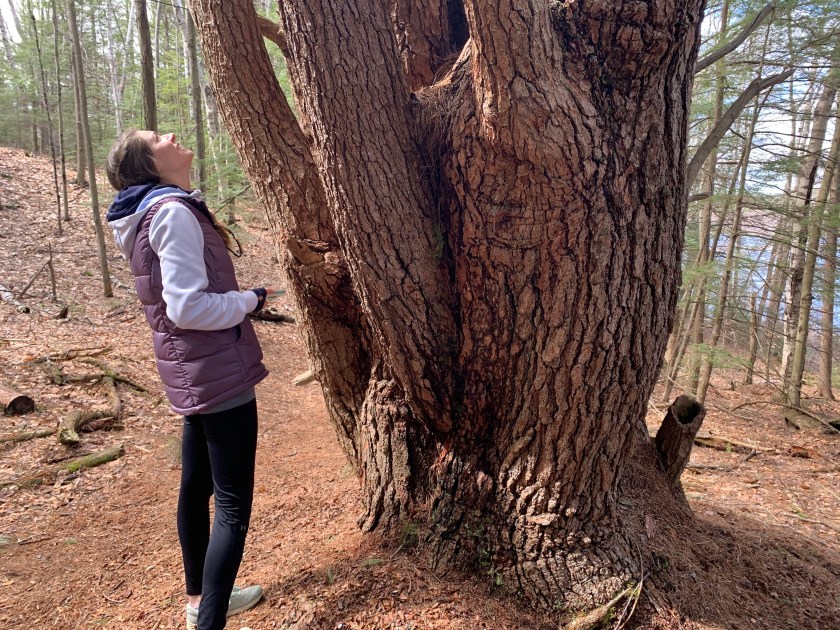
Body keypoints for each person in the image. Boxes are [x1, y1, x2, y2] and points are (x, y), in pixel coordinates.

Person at [106, 129, 270, 630]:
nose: (171, 135)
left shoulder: (153, 212)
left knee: (196, 487)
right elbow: (188, 307)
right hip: (217, 370)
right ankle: (208, 621)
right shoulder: (172, 213)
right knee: (232, 503)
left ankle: (201, 600)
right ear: (150, 164)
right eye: (156, 137)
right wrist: (250, 300)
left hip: (193, 372)